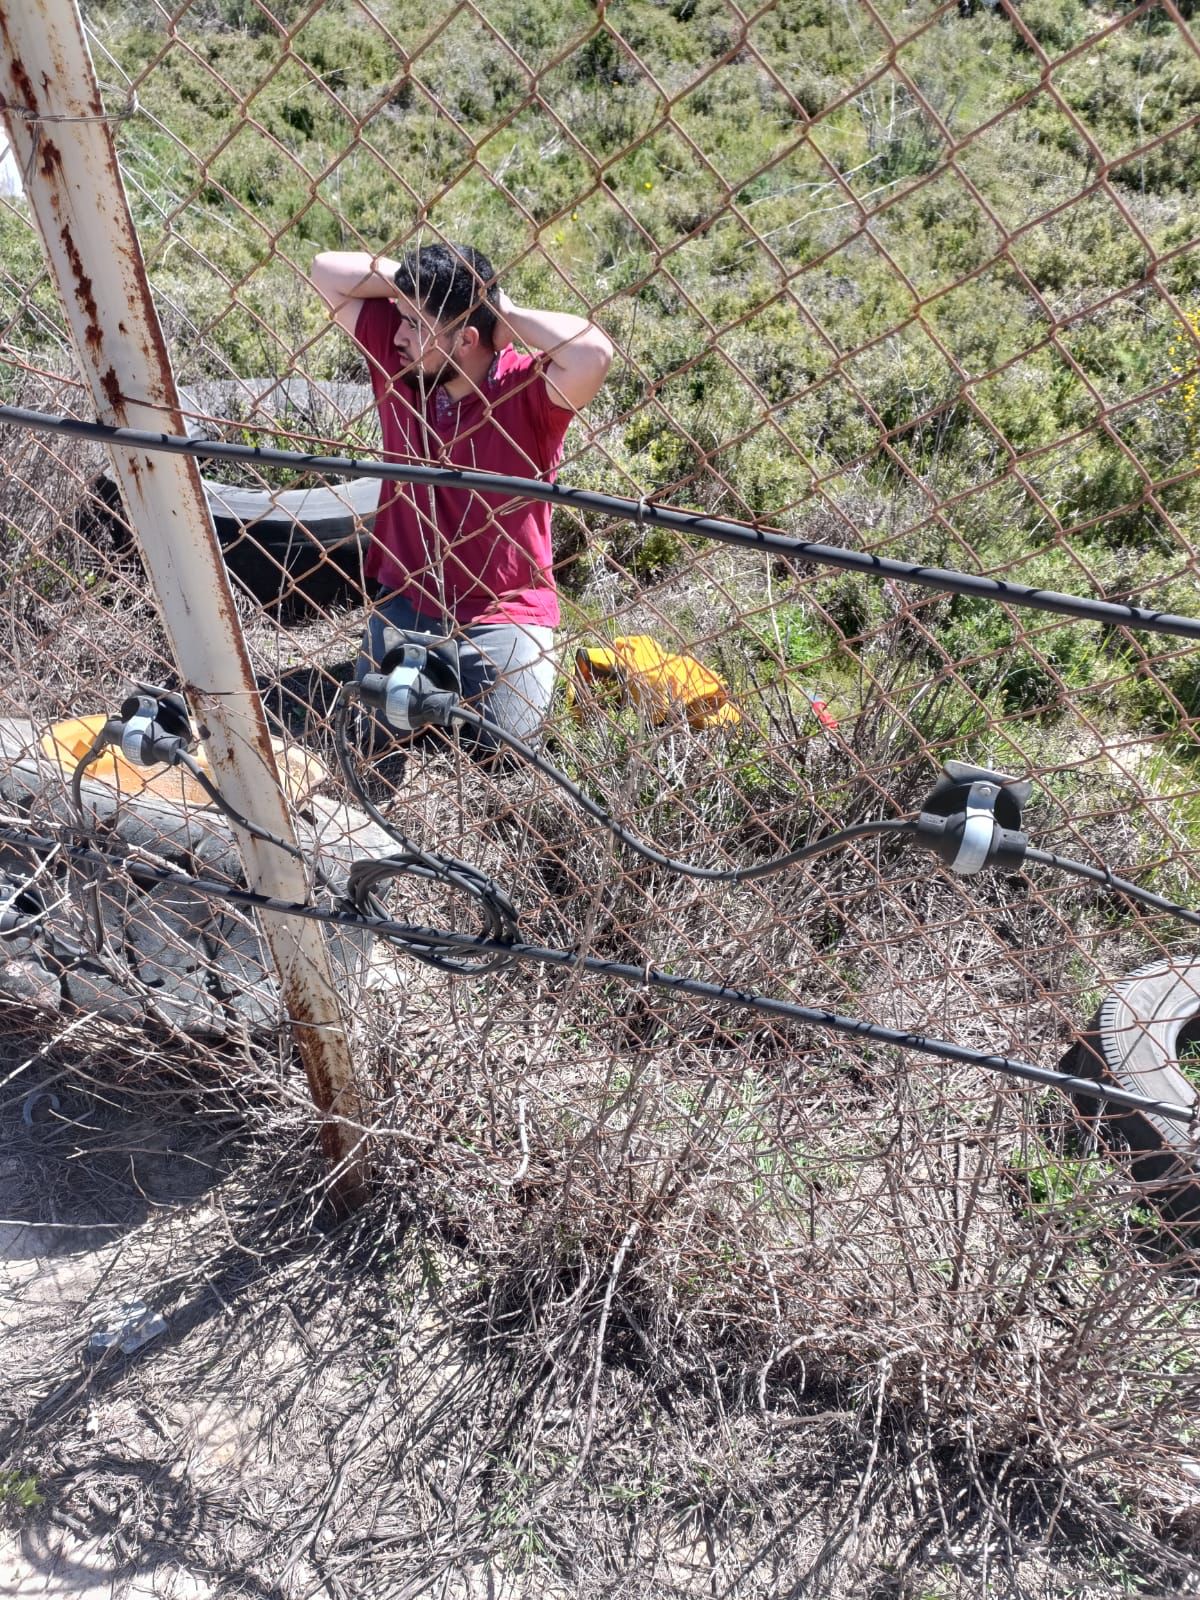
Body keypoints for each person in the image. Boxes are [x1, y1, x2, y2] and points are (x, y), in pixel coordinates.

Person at [308, 241, 613, 750]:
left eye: (415, 323)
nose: (398, 333)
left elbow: (594, 355)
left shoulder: (525, 389)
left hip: (504, 607)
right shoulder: (402, 360)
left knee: (506, 748)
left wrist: (503, 312)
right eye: (401, 316)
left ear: (468, 338)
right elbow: (325, 270)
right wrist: (422, 288)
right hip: (410, 593)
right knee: (376, 726)